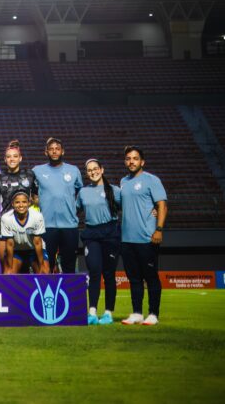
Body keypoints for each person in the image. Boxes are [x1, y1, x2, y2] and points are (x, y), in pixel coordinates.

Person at [119, 146, 168, 326]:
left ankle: (153, 314)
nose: (131, 161)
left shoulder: (152, 180)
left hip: (147, 238)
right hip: (127, 239)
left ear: (142, 162)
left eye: (135, 158)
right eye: (128, 159)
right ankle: (137, 313)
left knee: (151, 277)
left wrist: (159, 229)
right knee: (134, 279)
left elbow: (162, 205)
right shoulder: (123, 181)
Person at [78, 159, 121, 325]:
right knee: (94, 271)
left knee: (109, 274)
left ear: (102, 170)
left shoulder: (115, 191)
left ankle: (108, 313)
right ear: (87, 173)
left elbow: (130, 206)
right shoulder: (83, 192)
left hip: (111, 234)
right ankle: (92, 312)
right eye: (89, 170)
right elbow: (73, 209)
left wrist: (152, 210)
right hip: (91, 234)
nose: (93, 172)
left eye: (95, 169)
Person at [31, 137, 82, 273]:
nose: (54, 152)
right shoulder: (37, 171)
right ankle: (48, 294)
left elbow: (79, 192)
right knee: (47, 267)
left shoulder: (74, 170)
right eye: (51, 149)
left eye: (57, 149)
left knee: (69, 266)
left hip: (69, 226)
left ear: (62, 152)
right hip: (46, 226)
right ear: (46, 152)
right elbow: (32, 193)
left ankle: (68, 294)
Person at [0, 192, 50, 274]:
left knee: (45, 272)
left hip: (34, 250)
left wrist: (42, 265)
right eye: (17, 202)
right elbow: (9, 244)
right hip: (16, 251)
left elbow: (37, 242)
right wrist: (10, 267)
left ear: (29, 203)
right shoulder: (6, 218)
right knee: (9, 274)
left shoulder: (37, 216)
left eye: (24, 202)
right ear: (12, 204)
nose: (21, 205)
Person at [0, 140, 38, 214]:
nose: (12, 159)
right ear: (5, 159)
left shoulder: (29, 175)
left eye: (15, 156)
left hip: (26, 222)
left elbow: (37, 198)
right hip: (5, 222)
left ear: (20, 158)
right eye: (8, 157)